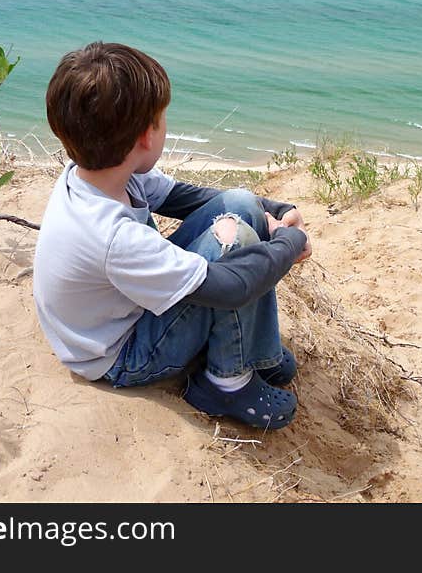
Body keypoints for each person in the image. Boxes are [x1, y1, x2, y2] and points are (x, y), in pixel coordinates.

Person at [33, 42, 311, 430]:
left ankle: (259, 352)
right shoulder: (110, 234)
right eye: (162, 119)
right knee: (235, 244)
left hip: (119, 312)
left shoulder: (103, 172)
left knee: (240, 203)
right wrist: (290, 243)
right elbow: (231, 287)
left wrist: (273, 210)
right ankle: (225, 384)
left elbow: (187, 198)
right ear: (146, 136)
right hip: (121, 354)